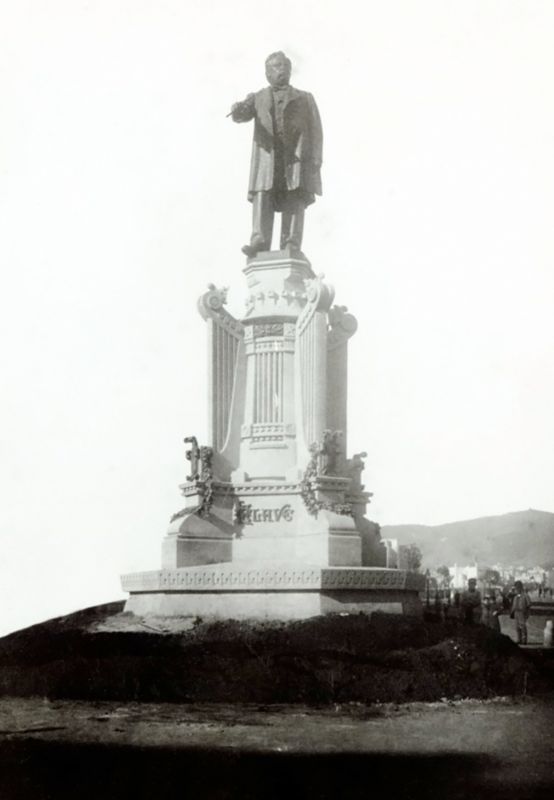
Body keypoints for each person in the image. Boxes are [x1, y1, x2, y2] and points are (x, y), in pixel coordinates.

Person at [230, 51, 323, 257]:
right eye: (276, 66)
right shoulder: (257, 98)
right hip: (268, 159)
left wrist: (316, 158)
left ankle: (291, 243)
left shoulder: (305, 98)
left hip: (295, 158)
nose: (281, 70)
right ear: (267, 73)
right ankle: (259, 242)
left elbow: (316, 130)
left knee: (294, 195)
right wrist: (237, 109)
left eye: (284, 66)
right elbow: (240, 116)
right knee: (263, 195)